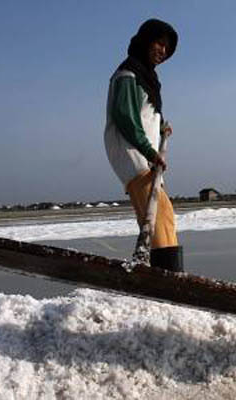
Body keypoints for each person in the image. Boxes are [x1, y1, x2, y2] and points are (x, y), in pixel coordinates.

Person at [104, 19, 182, 271]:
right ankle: (170, 277)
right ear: (145, 40)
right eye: (159, 43)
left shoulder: (144, 77)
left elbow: (141, 115)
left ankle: (160, 273)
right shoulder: (129, 74)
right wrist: (150, 151)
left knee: (157, 217)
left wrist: (160, 129)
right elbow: (125, 117)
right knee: (161, 216)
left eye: (167, 48)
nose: (163, 51)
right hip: (135, 156)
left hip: (141, 156)